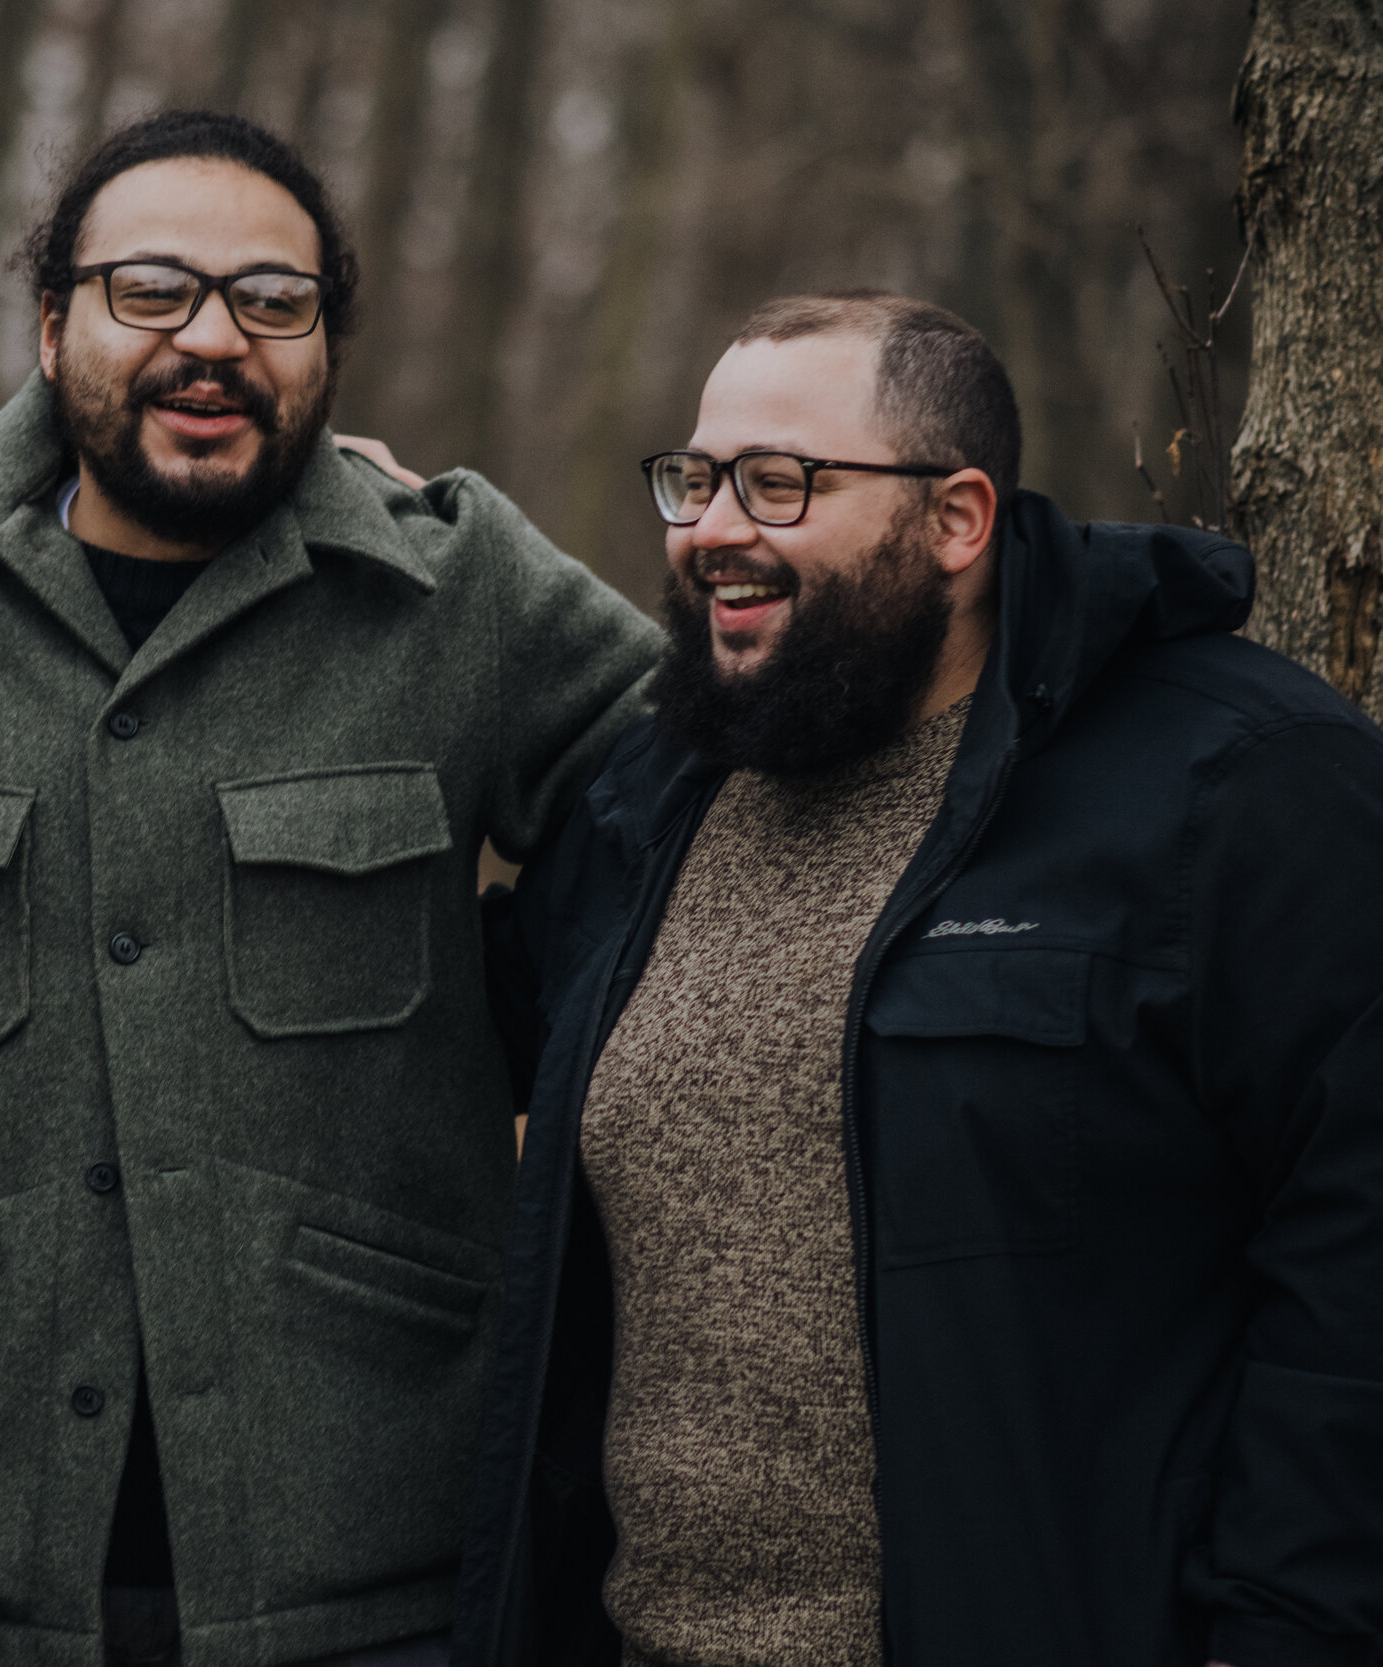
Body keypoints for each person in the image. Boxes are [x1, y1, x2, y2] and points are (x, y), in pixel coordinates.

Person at [0, 110, 662, 1667]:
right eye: (150, 290)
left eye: (272, 300)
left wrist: (505, 992)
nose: (212, 339)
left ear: (328, 345)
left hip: (372, 1555)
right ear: (52, 325)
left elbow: (711, 789)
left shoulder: (453, 589)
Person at [450, 292, 1383, 1667]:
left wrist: (1292, 1631)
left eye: (780, 483)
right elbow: (431, 1034)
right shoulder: (650, 799)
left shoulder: (1238, 780)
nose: (712, 528)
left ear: (957, 519)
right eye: (694, 480)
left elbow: (1355, 1244)